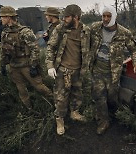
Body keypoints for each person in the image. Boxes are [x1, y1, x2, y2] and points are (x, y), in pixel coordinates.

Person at [90, 5, 136, 135]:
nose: (106, 19)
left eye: (109, 16)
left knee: (111, 97)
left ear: (114, 17)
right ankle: (104, 121)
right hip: (97, 69)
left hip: (113, 72)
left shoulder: (124, 33)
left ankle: (113, 114)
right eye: (104, 16)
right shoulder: (95, 27)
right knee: (99, 96)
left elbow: (134, 49)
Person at [46, 4, 90, 135]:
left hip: (78, 70)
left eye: (67, 17)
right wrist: (50, 65)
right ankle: (59, 120)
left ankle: (74, 112)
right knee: (61, 98)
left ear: (76, 17)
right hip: (63, 70)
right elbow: (51, 47)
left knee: (77, 93)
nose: (64, 19)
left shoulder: (86, 31)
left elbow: (89, 49)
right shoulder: (60, 29)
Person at [0, 6, 52, 112]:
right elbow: (4, 51)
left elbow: (35, 49)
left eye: (2, 17)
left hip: (27, 65)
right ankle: (30, 110)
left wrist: (33, 65)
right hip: (14, 66)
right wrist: (3, 65)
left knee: (39, 87)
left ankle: (58, 104)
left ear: (9, 17)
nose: (1, 19)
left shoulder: (25, 32)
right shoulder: (5, 33)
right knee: (21, 90)